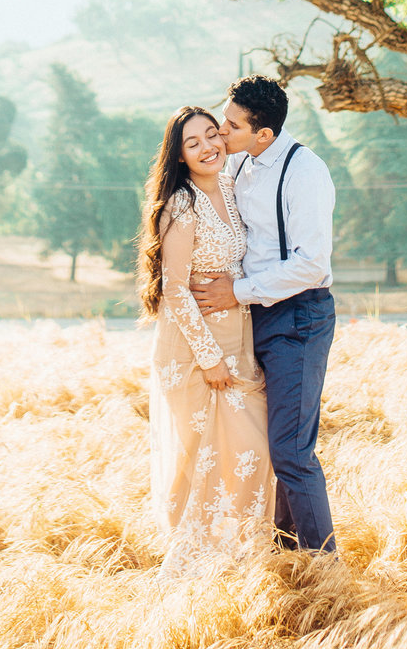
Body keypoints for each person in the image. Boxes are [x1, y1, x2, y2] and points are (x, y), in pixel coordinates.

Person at [191, 75, 337, 554]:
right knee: (269, 446)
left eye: (230, 127)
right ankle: (285, 556)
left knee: (293, 452)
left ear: (264, 135)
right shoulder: (241, 165)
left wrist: (238, 291)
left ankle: (324, 573)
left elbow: (311, 264)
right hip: (255, 318)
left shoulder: (305, 172)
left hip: (299, 318)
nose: (219, 133)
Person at [139, 104, 275, 579]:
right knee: (206, 460)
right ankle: (192, 570)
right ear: (179, 156)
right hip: (193, 351)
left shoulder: (234, 191)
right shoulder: (182, 204)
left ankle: (241, 562)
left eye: (212, 135)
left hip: (238, 339)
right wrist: (210, 357)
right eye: (192, 143)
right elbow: (175, 287)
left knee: (251, 454)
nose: (207, 147)